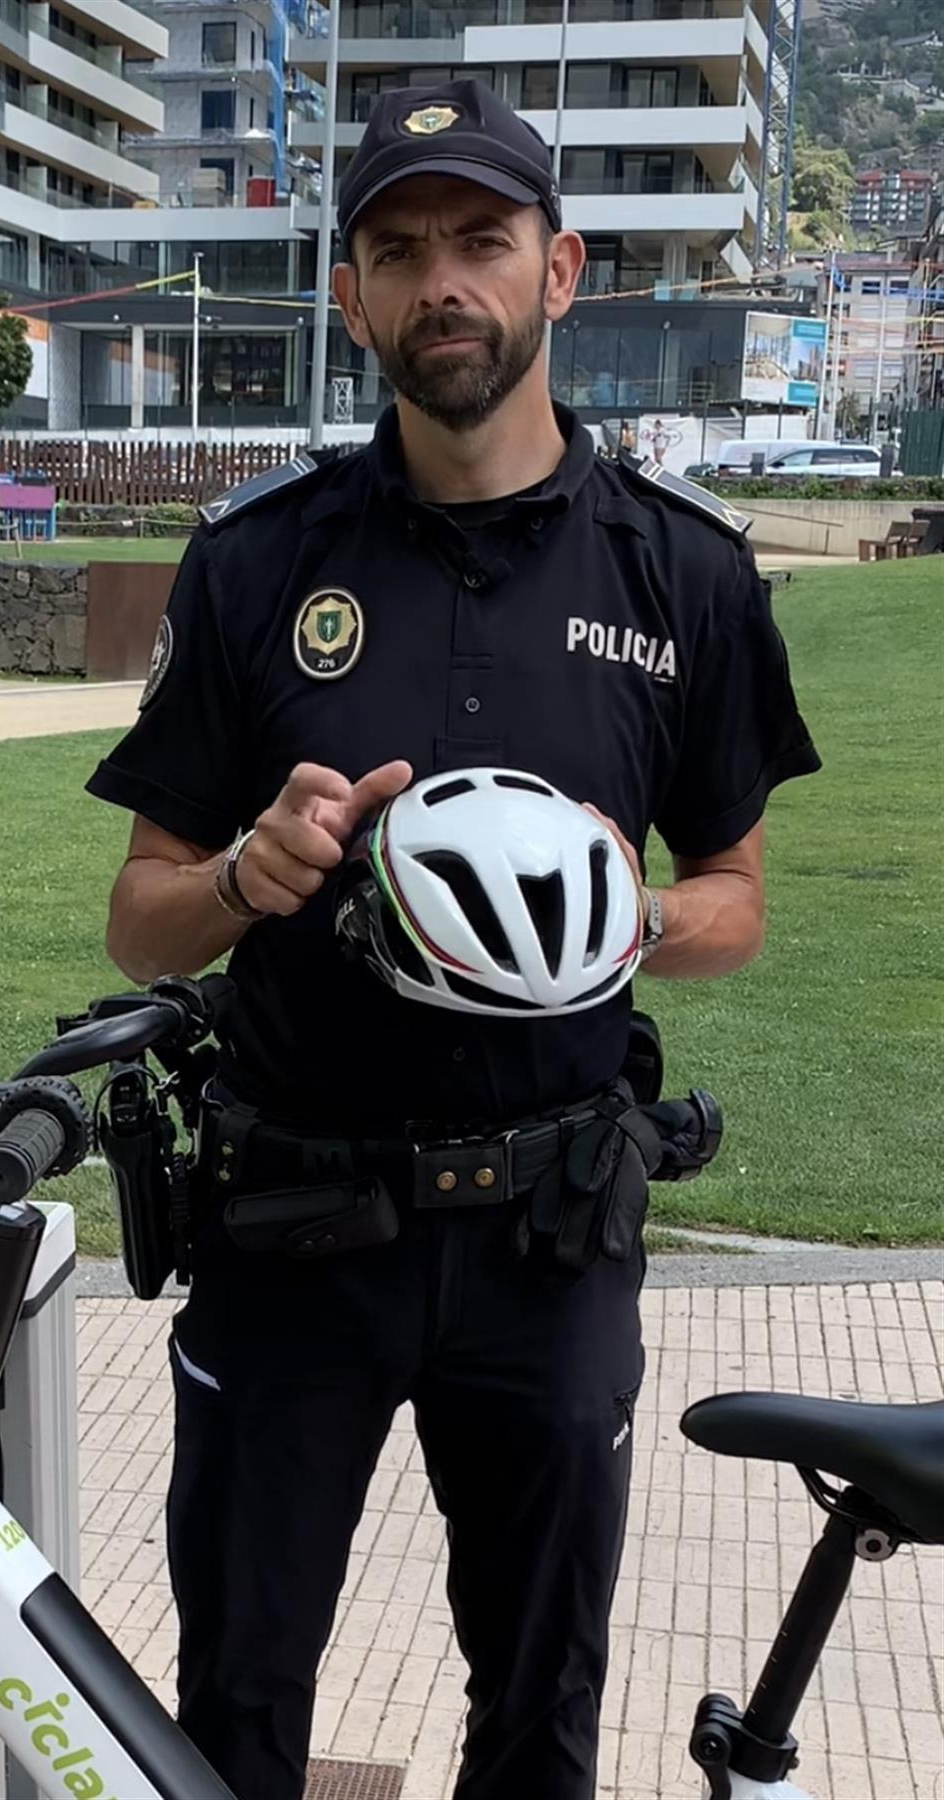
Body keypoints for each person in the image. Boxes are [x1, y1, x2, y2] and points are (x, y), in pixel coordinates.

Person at [83, 78, 819, 1800]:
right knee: (238, 1707)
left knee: (538, 1713)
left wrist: (629, 916)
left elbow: (735, 899)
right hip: (291, 1227)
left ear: (557, 272)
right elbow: (138, 923)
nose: (442, 284)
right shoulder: (261, 563)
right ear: (351, 294)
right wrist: (249, 878)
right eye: (397, 251)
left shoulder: (684, 575)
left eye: (480, 242)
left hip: (548, 1238)